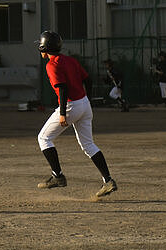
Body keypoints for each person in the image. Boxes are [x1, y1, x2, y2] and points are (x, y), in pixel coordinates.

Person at [35, 30, 117, 198]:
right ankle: (108, 180)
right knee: (88, 145)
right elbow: (88, 79)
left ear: (44, 48)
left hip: (71, 105)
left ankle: (58, 176)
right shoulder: (71, 60)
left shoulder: (52, 64)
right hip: (84, 103)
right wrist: (88, 99)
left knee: (44, 138)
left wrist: (63, 113)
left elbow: (63, 89)